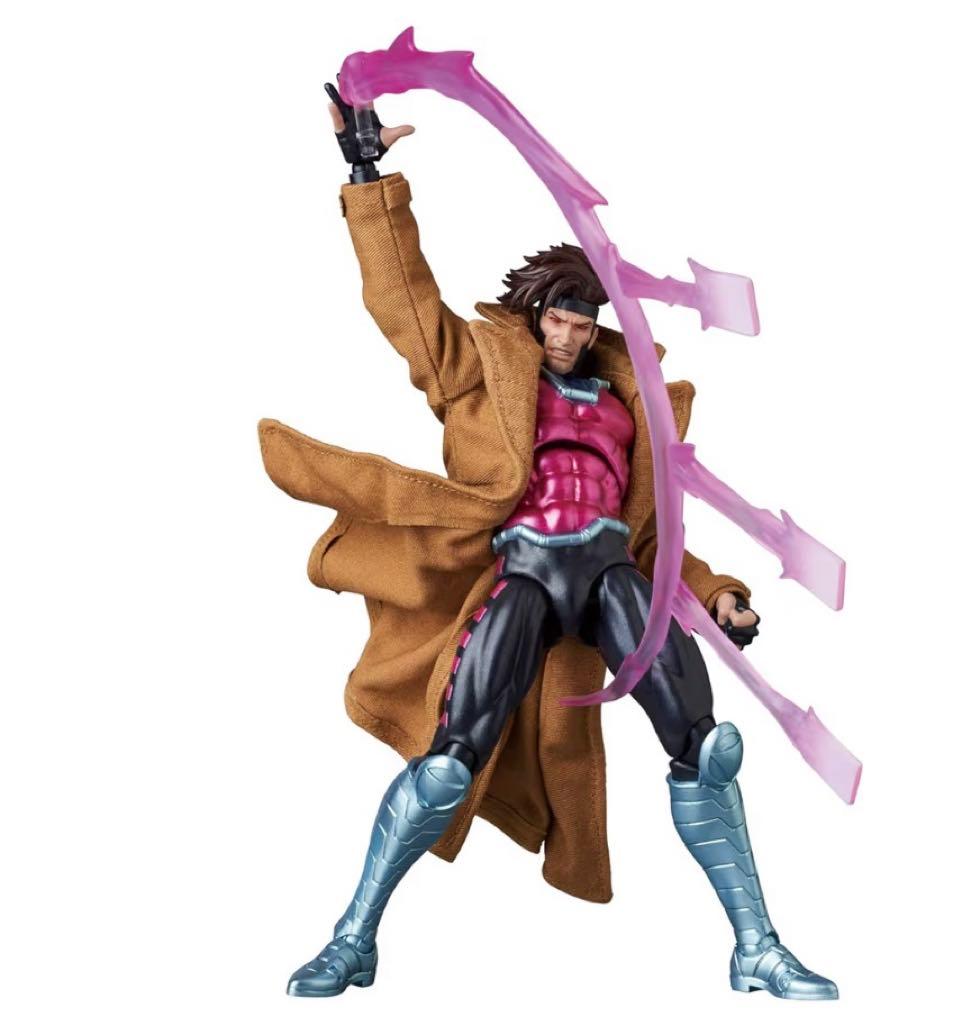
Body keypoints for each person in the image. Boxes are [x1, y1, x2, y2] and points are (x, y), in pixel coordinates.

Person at [257, 88, 838, 1001]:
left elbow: (658, 538)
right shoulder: (482, 374)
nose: (569, 334)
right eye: (557, 318)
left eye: (583, 319)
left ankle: (757, 946)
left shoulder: (629, 409)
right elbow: (406, 304)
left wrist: (718, 591)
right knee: (449, 759)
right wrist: (368, 177)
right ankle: (353, 937)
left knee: (708, 745)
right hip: (523, 573)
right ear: (535, 314)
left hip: (609, 575)